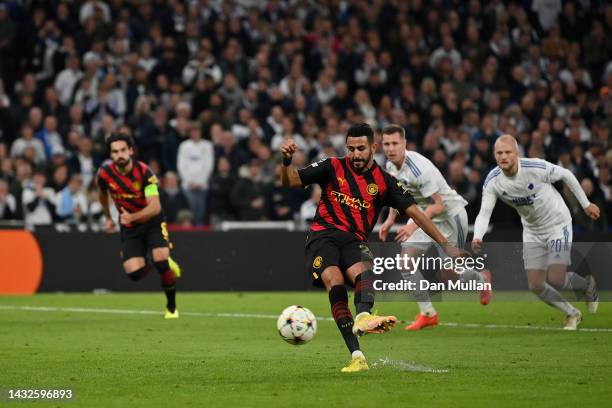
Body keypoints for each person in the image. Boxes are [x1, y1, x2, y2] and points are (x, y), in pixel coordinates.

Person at [280, 123, 461, 373]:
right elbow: (290, 180)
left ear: (373, 148)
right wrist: (287, 160)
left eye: (361, 148)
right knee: (335, 282)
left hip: (354, 240)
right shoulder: (332, 166)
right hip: (323, 236)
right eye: (351, 148)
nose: (355, 154)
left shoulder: (385, 182)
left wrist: (447, 246)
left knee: (364, 273)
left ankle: (363, 321)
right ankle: (357, 353)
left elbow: (418, 215)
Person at [472, 134, 600, 330]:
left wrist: (585, 204)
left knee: (556, 279)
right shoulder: (493, 181)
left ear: (516, 153)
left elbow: (566, 174)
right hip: (532, 231)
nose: (504, 156)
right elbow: (484, 212)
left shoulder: (535, 168)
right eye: (499, 153)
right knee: (536, 285)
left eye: (508, 152)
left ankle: (586, 286)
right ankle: (572, 313)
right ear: (494, 155)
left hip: (557, 224)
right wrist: (478, 236)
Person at [379, 124, 492, 331]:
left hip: (450, 216)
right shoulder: (391, 166)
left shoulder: (419, 169)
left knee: (450, 274)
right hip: (425, 216)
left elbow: (438, 205)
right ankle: (428, 313)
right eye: (387, 144)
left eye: (395, 143)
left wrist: (412, 226)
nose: (390, 148)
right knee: (405, 263)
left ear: (404, 144)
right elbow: (398, 196)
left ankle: (481, 278)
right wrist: (389, 220)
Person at [97, 133, 182, 319]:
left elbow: (155, 207)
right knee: (134, 274)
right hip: (130, 228)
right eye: (115, 151)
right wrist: (108, 217)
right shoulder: (104, 174)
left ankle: (171, 307)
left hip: (152, 222)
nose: (120, 155)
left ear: (131, 151)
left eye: (123, 150)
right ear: (111, 155)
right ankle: (161, 259)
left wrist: (132, 216)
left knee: (160, 260)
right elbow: (102, 194)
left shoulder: (145, 173)